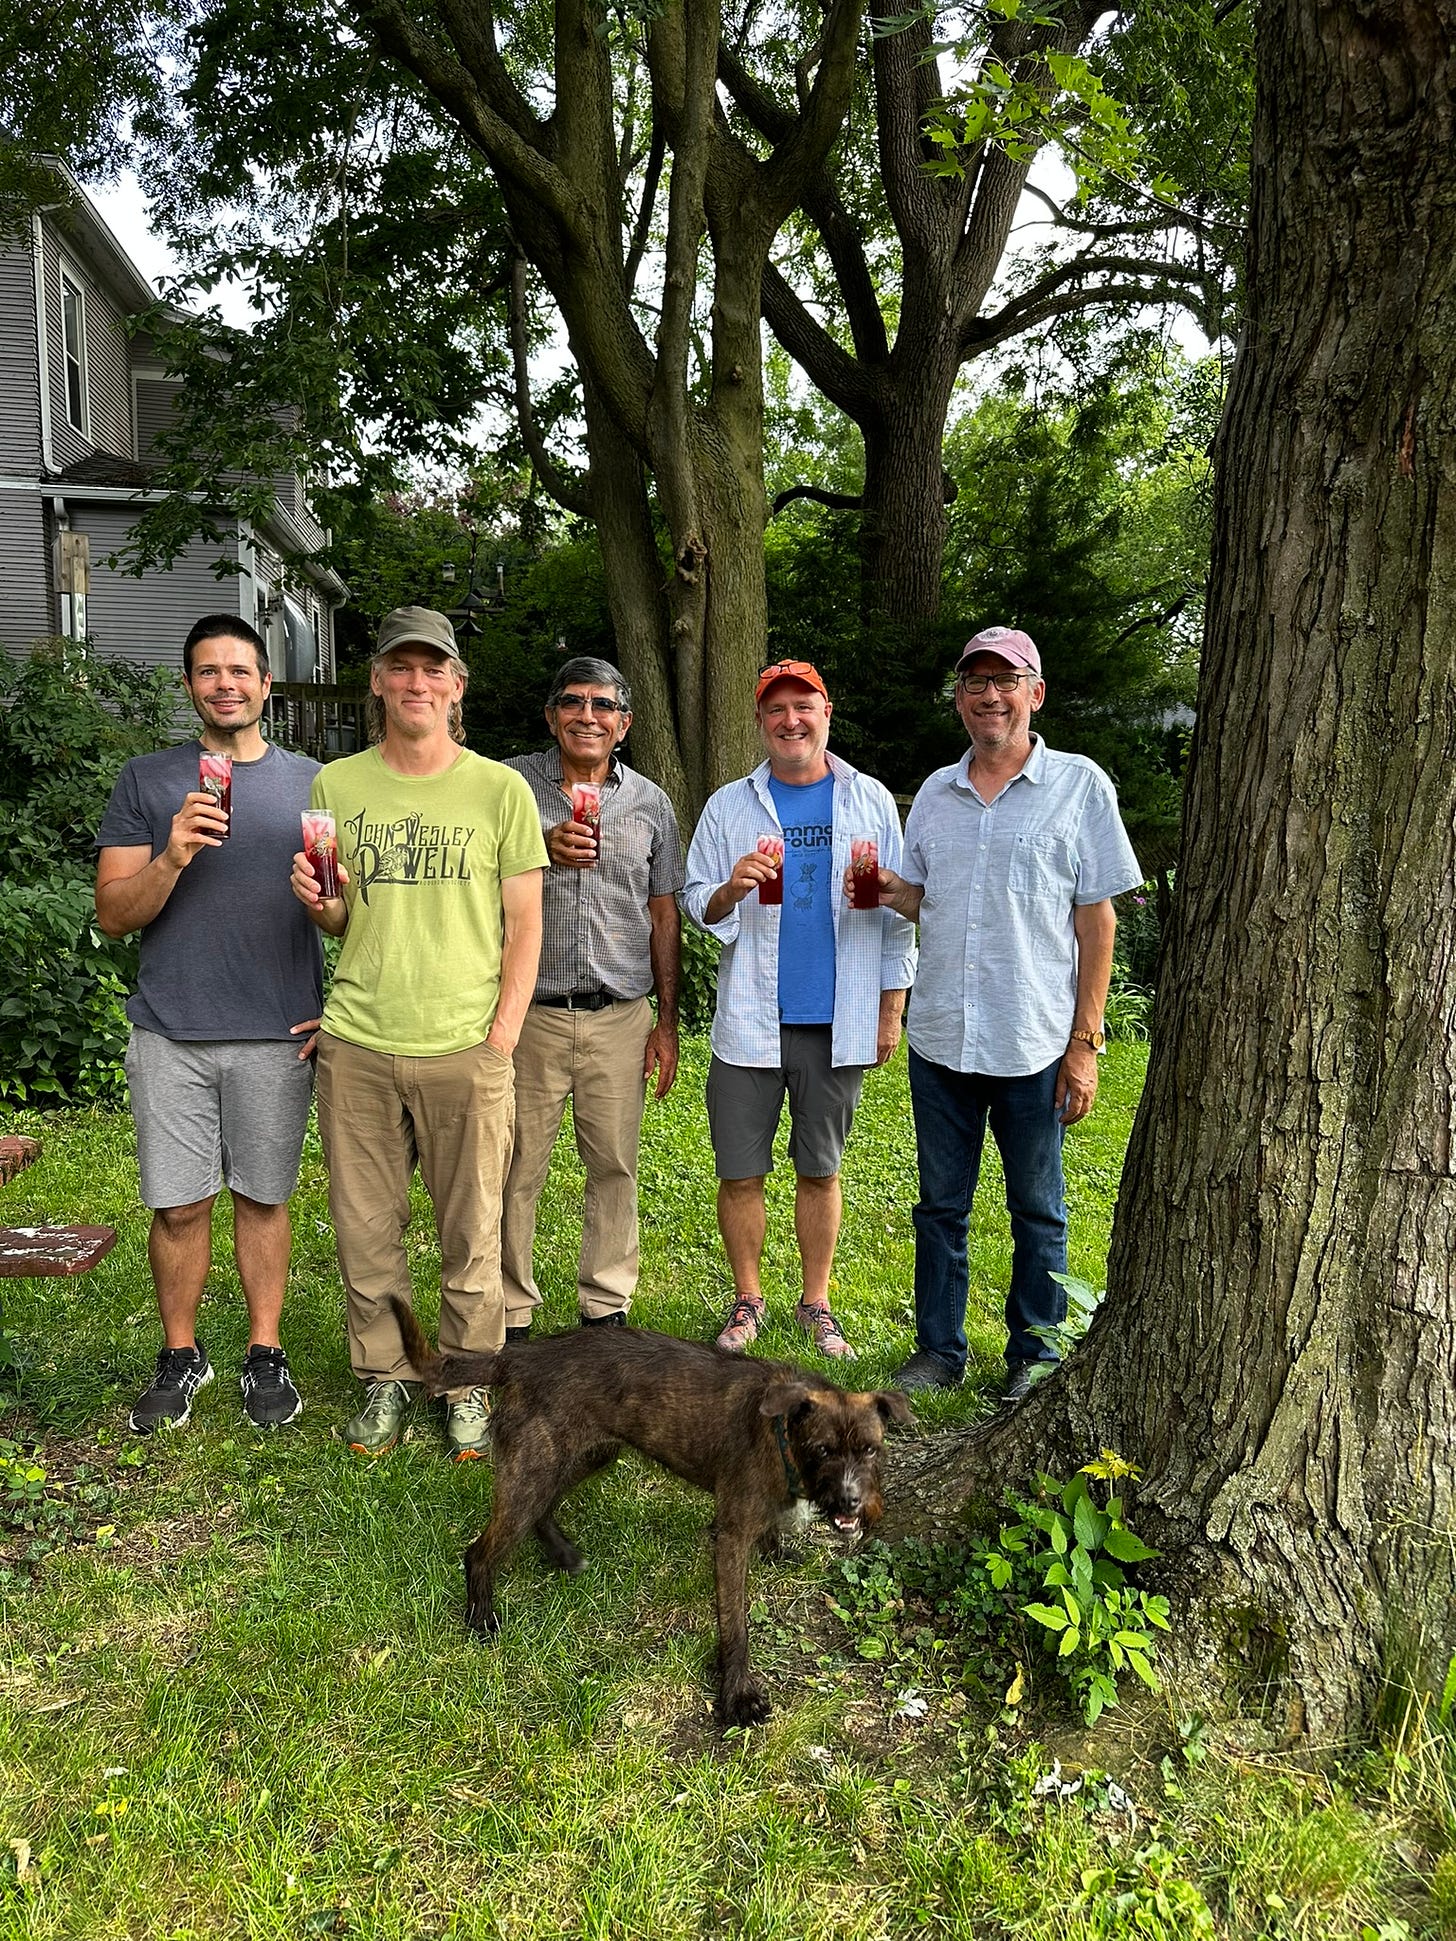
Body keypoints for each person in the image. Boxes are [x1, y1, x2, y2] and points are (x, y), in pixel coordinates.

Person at [291, 606, 546, 1459]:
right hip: (359, 1040)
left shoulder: (498, 789)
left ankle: (468, 1383)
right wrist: (321, 901)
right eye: (401, 667)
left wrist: (501, 1035)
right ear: (376, 680)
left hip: (465, 1044)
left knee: (472, 1228)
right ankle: (388, 1377)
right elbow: (339, 916)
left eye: (433, 669)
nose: (417, 682)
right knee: (367, 1225)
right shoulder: (337, 785)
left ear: (456, 686)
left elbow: (525, 924)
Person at [872, 625, 1143, 1402]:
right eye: (974, 681)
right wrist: (892, 892)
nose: (989, 695)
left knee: (1038, 1209)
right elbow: (926, 895)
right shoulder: (935, 793)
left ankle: (1033, 1351)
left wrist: (1085, 1044)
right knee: (939, 1207)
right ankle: (939, 1351)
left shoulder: (1080, 786)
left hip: (1033, 1044)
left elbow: (1099, 923)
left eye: (1005, 680)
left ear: (1035, 693)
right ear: (960, 697)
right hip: (942, 1043)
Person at [95, 614, 322, 1434]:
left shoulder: (313, 784)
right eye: (207, 671)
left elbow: (346, 912)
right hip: (171, 1030)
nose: (225, 683)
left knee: (262, 1198)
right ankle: (181, 1353)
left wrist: (334, 987)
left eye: (240, 670)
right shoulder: (148, 781)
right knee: (180, 1206)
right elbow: (115, 913)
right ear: (189, 685)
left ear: (266, 684)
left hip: (276, 1029)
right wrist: (174, 854)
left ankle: (266, 1349)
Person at [683, 659, 916, 1358]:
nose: (791, 720)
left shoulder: (868, 798)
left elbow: (900, 914)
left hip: (837, 1015)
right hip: (750, 1018)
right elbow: (698, 902)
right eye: (776, 709)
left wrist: (889, 1007)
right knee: (740, 1170)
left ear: (826, 712)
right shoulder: (730, 806)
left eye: (803, 706)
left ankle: (817, 1301)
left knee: (821, 1166)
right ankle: (748, 1298)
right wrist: (729, 890)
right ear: (760, 721)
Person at [501, 657, 685, 1334]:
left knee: (613, 1165)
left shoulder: (650, 803)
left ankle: (605, 1309)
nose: (587, 715)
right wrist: (534, 846)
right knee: (514, 1166)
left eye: (603, 705)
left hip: (618, 1016)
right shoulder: (510, 785)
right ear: (551, 715)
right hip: (529, 1016)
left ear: (624, 724)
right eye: (572, 702)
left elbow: (664, 914)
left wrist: (666, 1023)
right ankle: (510, 1310)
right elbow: (468, 884)